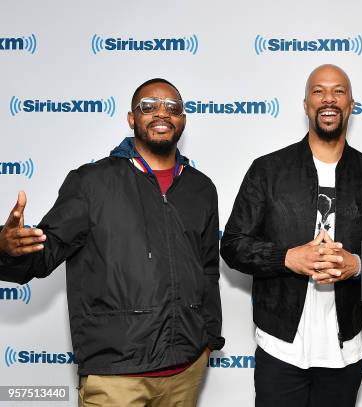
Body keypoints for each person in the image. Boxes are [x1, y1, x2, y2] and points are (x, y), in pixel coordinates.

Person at [0, 78, 224, 406]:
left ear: (182, 121)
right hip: (116, 375)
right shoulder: (91, 183)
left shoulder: (201, 188)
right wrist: (6, 249)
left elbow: (207, 270)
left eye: (172, 107)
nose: (162, 112)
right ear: (132, 118)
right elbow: (44, 255)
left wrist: (207, 341)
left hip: (185, 373)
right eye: (149, 105)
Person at [220, 64, 362, 407]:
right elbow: (233, 245)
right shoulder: (268, 170)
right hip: (279, 349)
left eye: (338, 91)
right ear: (305, 104)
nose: (328, 99)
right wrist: (286, 257)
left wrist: (357, 265)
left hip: (344, 353)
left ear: (351, 104)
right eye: (318, 91)